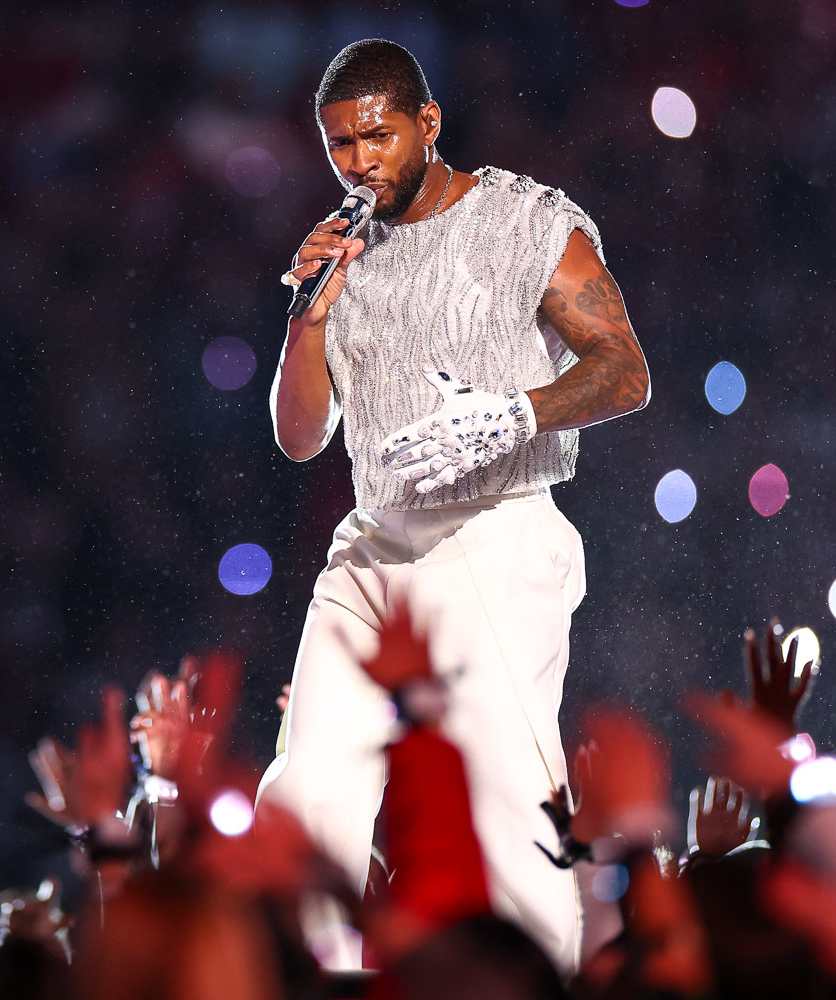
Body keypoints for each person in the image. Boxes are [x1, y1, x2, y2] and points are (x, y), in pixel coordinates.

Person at [256, 38, 649, 976]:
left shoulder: (523, 222)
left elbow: (627, 370)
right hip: (374, 545)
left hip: (497, 529)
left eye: (377, 137)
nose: (359, 162)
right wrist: (310, 314)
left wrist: (518, 412)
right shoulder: (342, 252)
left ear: (428, 123)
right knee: (307, 788)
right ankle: (297, 978)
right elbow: (299, 437)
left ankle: (536, 983)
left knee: (509, 807)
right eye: (340, 145)